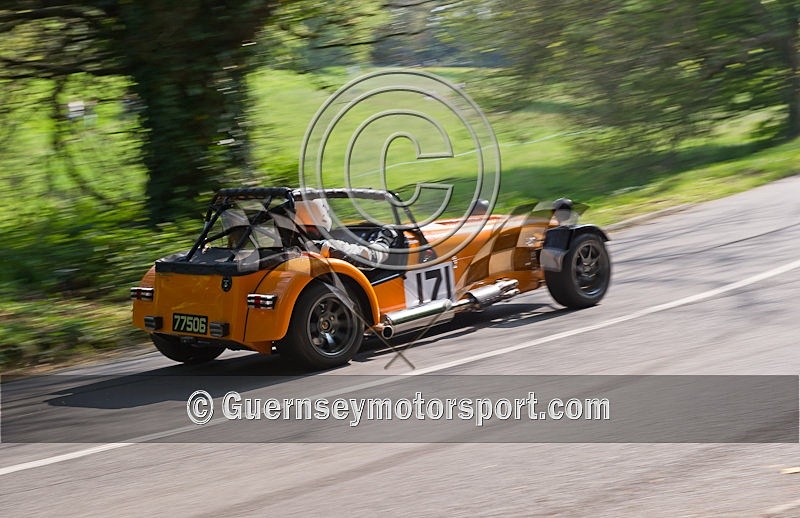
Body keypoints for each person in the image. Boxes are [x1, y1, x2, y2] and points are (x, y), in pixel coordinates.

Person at [292, 198, 398, 267]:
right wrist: (384, 240)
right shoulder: (325, 248)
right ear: (322, 216)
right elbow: (370, 258)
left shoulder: (287, 249)